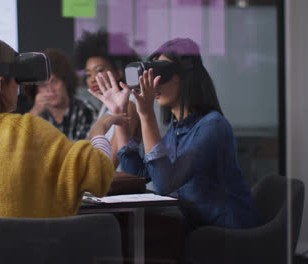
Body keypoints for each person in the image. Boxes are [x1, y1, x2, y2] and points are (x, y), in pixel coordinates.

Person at [0, 36, 126, 259]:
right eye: (17, 82)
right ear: (2, 84)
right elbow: (99, 174)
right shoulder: (31, 131)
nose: (19, 88)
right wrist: (98, 133)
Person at [90, 38, 259, 262]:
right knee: (116, 230)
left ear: (186, 76)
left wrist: (146, 114)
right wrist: (120, 116)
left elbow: (164, 183)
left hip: (224, 235)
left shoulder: (212, 126)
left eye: (162, 74)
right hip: (193, 227)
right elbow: (138, 175)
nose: (155, 84)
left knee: (129, 237)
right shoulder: (177, 129)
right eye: (151, 75)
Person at [74, 30, 143, 169]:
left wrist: (97, 130)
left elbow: (109, 163)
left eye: (99, 71)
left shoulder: (128, 105)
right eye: (88, 75)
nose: (93, 78)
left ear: (118, 73)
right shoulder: (105, 107)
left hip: (126, 187)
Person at [25, 48, 97, 141]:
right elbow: (19, 146)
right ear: (36, 90)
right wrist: (34, 113)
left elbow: (82, 153)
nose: (50, 89)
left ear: (65, 81)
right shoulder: (37, 115)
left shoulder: (87, 111)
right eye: (43, 85)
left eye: (55, 81)